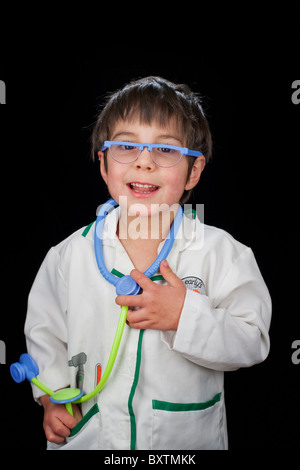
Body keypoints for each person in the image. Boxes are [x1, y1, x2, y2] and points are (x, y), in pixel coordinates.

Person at [25, 76, 271, 450]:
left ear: (194, 170)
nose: (144, 163)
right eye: (126, 146)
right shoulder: (67, 255)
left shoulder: (222, 253)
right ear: (104, 164)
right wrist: (51, 395)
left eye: (166, 150)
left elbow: (252, 340)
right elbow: (45, 335)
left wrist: (184, 315)